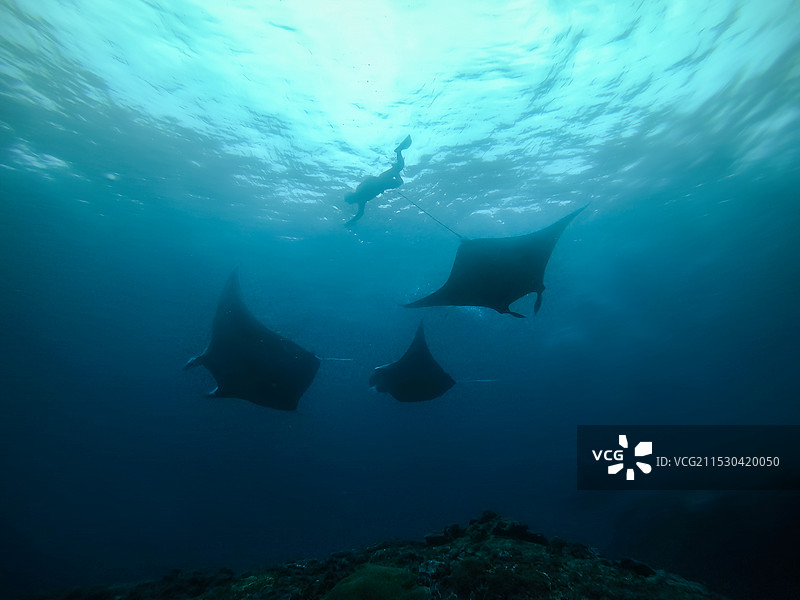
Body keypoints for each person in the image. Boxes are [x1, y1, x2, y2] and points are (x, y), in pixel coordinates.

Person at [344, 135, 412, 226]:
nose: (350, 203)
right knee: (398, 175)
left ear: (352, 197)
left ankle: (398, 151)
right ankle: (398, 155)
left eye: (349, 201)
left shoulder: (361, 196)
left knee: (399, 171)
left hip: (382, 181)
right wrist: (350, 222)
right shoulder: (361, 198)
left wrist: (379, 185)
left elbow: (369, 180)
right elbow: (360, 213)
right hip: (383, 182)